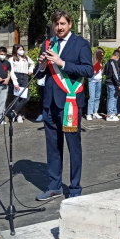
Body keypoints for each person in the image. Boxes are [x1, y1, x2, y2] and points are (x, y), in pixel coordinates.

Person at [35, 10, 93, 200]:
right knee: (52, 148)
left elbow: (88, 70)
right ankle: (55, 186)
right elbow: (40, 74)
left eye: (62, 24)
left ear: (70, 24)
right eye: (56, 24)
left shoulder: (81, 44)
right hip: (49, 103)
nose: (59, 27)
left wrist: (62, 62)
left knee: (73, 147)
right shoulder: (48, 44)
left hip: (70, 104)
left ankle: (75, 188)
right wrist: (41, 65)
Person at [8, 44, 34, 123]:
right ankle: (18, 114)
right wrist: (15, 82)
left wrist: (30, 69)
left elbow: (32, 63)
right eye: (20, 49)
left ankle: (15, 112)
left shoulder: (25, 58)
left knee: (26, 97)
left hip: (24, 77)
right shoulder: (11, 59)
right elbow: (11, 71)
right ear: (15, 50)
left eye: (22, 49)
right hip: (17, 76)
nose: (22, 51)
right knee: (17, 97)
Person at [104, 50, 120, 122]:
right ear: (118, 56)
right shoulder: (114, 62)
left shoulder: (107, 62)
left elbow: (105, 72)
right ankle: (110, 115)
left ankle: (111, 113)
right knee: (113, 98)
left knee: (110, 98)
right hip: (112, 83)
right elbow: (115, 74)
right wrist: (119, 84)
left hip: (108, 82)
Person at [86, 47, 104, 121]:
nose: (102, 55)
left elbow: (101, 69)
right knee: (92, 97)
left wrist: (102, 70)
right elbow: (89, 70)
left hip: (99, 80)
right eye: (101, 54)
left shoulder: (101, 60)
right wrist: (93, 71)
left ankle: (95, 112)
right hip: (92, 81)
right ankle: (89, 113)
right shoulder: (91, 60)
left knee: (97, 97)